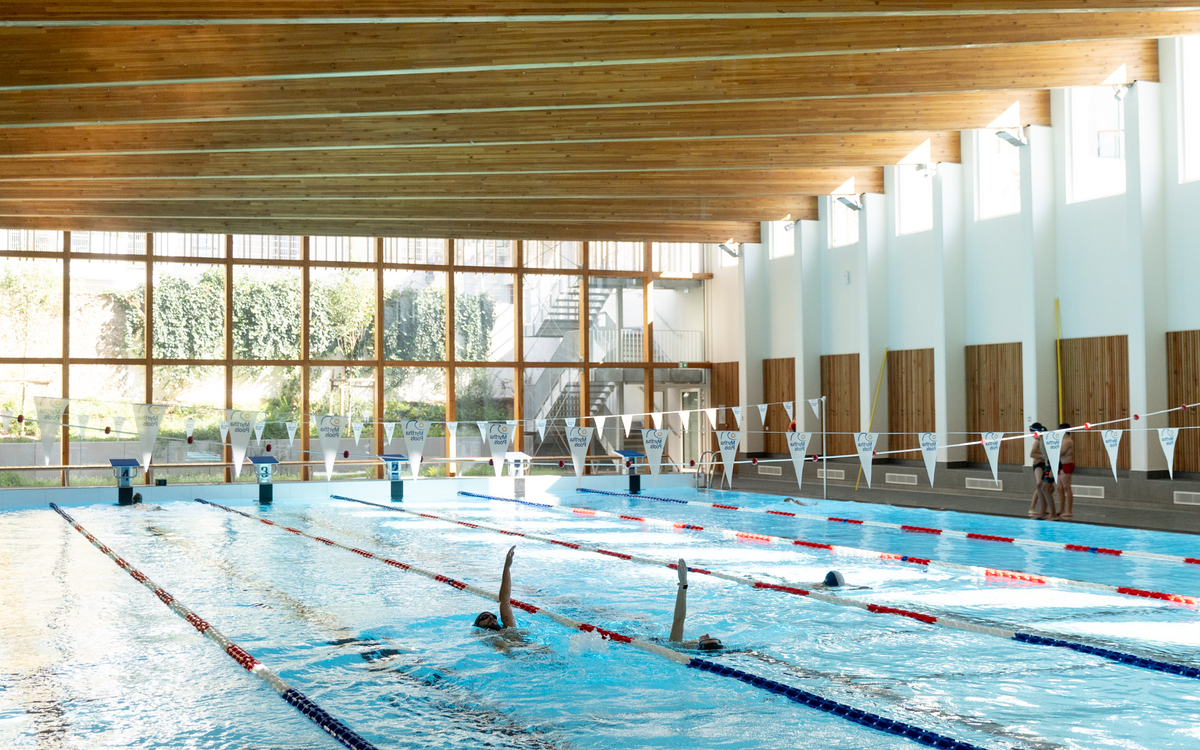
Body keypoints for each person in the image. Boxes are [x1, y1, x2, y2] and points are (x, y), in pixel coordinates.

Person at [669, 560, 723, 651]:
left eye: (706, 638)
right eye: (712, 637)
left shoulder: (675, 645)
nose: (707, 634)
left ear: (696, 646)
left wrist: (683, 584)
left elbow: (678, 620)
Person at [473, 546, 517, 633]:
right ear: (478, 624)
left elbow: (505, 600)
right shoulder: (481, 636)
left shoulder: (508, 629)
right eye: (485, 617)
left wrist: (507, 566)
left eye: (494, 616)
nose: (491, 617)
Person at [1027, 424, 1058, 520]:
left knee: (1045, 488)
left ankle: (1052, 514)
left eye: (1033, 432)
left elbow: (1053, 454)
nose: (1032, 434)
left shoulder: (1045, 439)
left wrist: (1053, 467)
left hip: (1051, 466)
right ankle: (1043, 512)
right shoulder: (1041, 440)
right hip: (1048, 465)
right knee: (1042, 487)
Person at [1056, 423, 1075, 520]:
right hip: (1061, 465)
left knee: (1067, 488)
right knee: (1059, 488)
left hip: (1067, 465)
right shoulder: (1063, 440)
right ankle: (1061, 509)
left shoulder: (1067, 441)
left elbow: (1060, 452)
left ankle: (1069, 511)